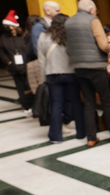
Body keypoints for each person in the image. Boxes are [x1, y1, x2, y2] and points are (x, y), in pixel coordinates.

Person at [65, 0, 110, 147]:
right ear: (91, 9)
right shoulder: (93, 20)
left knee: (88, 102)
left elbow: (69, 46)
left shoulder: (69, 22)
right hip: (96, 67)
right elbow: (103, 45)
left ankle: (91, 137)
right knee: (106, 101)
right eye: (96, 10)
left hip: (79, 67)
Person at [37, 14, 86, 143]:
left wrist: (44, 78)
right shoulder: (71, 36)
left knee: (56, 104)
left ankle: (55, 136)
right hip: (71, 73)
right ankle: (81, 133)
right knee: (76, 103)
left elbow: (41, 61)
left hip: (52, 74)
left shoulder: (43, 36)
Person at [0, 10, 34, 114]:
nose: (6, 27)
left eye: (8, 25)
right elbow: (0, 50)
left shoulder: (22, 36)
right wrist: (8, 62)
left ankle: (33, 103)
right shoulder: (3, 38)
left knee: (29, 85)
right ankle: (26, 106)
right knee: (20, 86)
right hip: (14, 67)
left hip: (26, 65)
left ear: (13, 26)